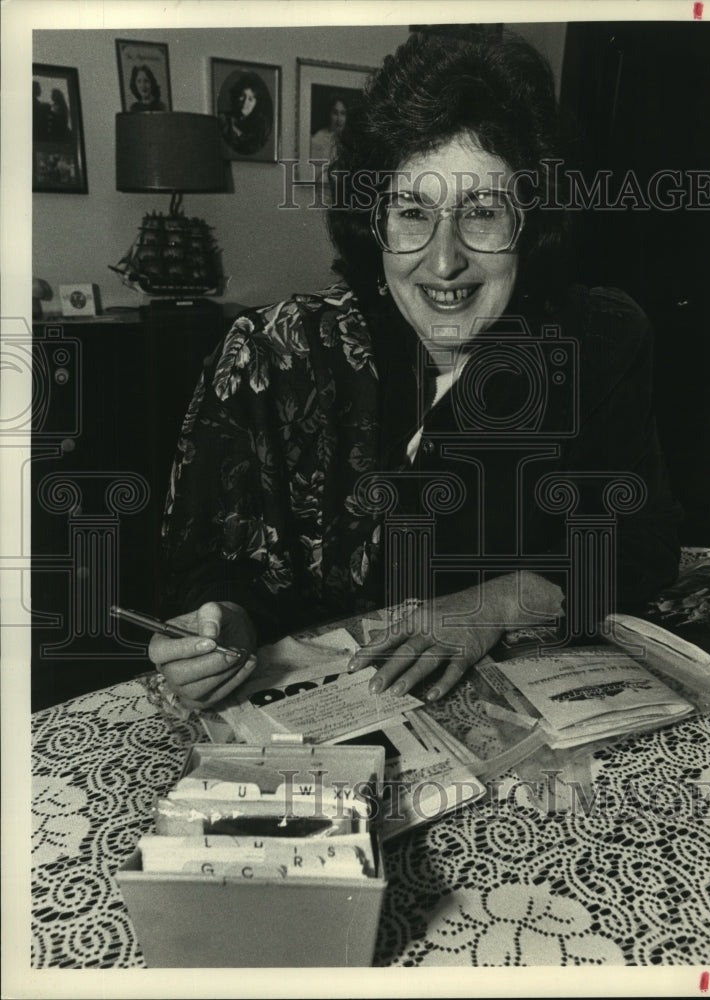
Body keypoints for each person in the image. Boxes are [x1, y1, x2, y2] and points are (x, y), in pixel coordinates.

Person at [150, 32, 681, 710]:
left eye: (482, 213)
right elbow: (207, 577)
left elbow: (640, 541)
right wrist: (220, 628)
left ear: (533, 221)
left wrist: (492, 603)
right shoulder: (272, 357)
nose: (442, 262)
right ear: (372, 224)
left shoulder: (597, 339)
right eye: (411, 213)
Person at [218, 71, 272, 156]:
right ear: (236, 96)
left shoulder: (262, 127)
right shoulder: (223, 119)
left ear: (256, 103)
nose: (245, 102)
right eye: (242, 96)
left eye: (250, 99)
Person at [309, 93, 349, 178]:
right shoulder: (317, 140)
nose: (339, 119)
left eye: (343, 113)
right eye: (335, 113)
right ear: (328, 114)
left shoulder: (347, 139)